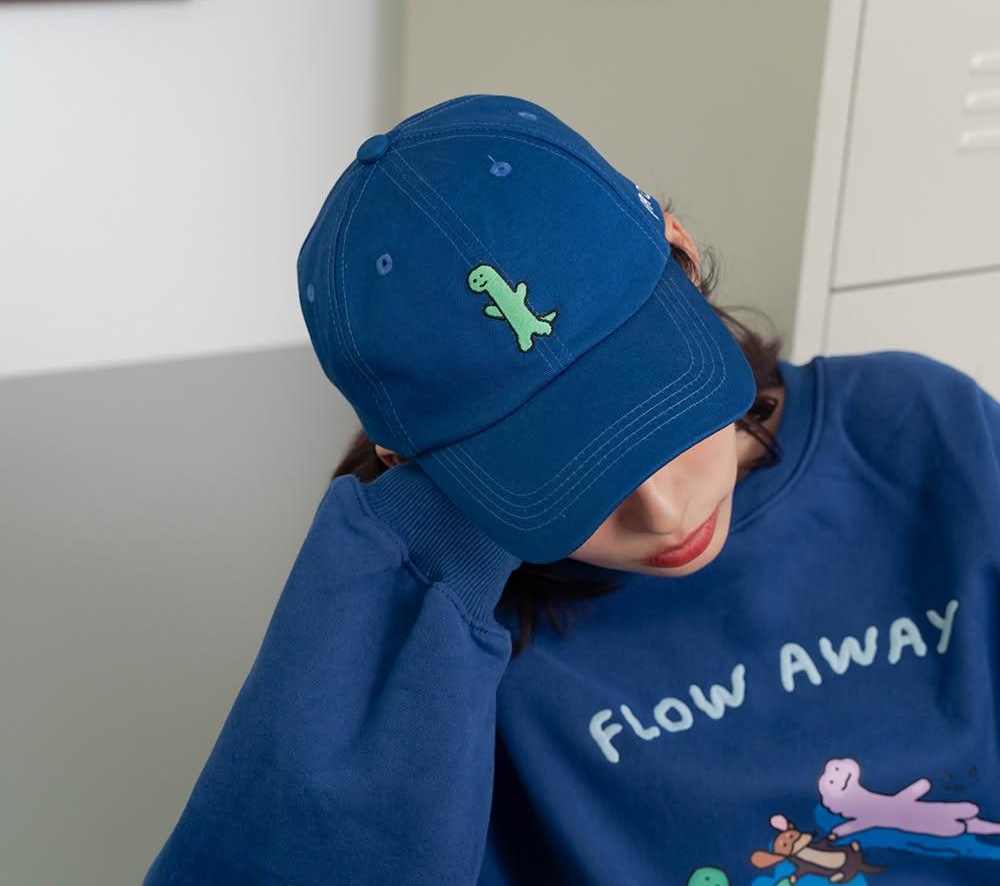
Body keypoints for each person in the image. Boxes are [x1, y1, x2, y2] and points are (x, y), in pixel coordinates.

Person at [144, 94, 1000, 885]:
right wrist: (416, 551)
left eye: (664, 413)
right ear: (412, 465)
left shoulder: (921, 429)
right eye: (564, 476)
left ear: (681, 253)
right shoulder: (453, 641)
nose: (665, 512)